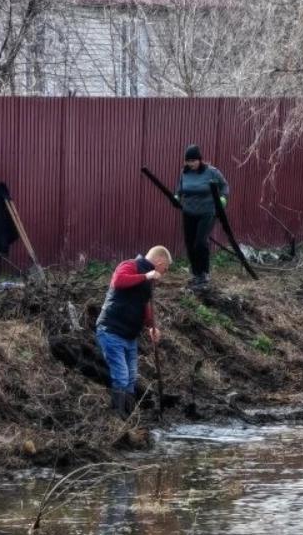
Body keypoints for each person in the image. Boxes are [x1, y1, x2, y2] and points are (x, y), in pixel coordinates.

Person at [96, 246, 170, 418]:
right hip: (111, 330)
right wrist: (146, 276)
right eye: (165, 269)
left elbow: (144, 305)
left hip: (129, 336)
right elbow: (118, 281)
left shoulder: (149, 281)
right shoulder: (130, 265)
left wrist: (151, 326)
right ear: (159, 263)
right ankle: (117, 419)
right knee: (121, 377)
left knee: (130, 378)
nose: (164, 274)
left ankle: (127, 418)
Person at [176, 145, 229, 289]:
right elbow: (180, 189)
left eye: (193, 161)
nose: (191, 164)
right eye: (188, 161)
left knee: (200, 242)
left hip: (207, 212)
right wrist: (176, 196)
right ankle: (195, 273)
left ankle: (204, 273)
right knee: (189, 243)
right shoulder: (184, 173)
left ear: (200, 159)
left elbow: (224, 186)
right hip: (189, 212)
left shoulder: (211, 172)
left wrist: (223, 198)